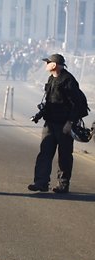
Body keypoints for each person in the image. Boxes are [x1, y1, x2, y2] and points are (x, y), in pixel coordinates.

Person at [28, 53, 81, 194]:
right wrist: (39, 115)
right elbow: (50, 101)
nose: (46, 65)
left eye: (48, 62)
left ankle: (63, 184)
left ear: (54, 65)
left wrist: (70, 122)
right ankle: (41, 183)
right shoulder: (51, 78)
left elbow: (79, 104)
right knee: (44, 153)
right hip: (50, 123)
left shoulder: (68, 80)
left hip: (64, 125)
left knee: (64, 156)